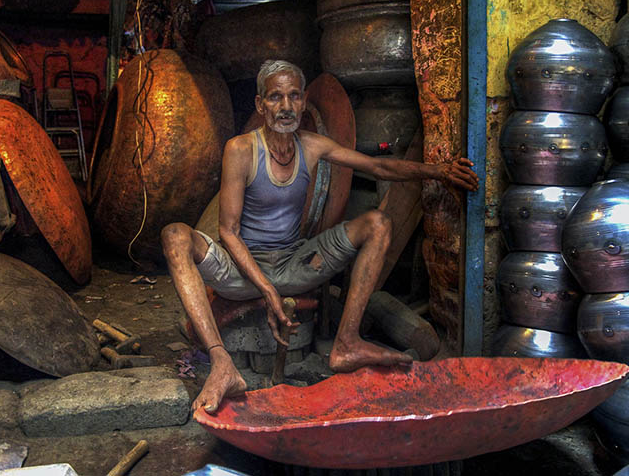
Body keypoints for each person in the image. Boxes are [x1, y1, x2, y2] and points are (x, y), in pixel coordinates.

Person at [162, 60, 479, 413]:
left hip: (294, 262)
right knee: (175, 235)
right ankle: (221, 364)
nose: (285, 107)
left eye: (294, 96)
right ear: (260, 105)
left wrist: (438, 171)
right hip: (242, 272)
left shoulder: (312, 146)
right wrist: (267, 290)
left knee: (378, 223)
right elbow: (228, 232)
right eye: (275, 97)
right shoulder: (241, 149)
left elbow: (378, 166)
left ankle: (347, 342)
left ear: (303, 101)